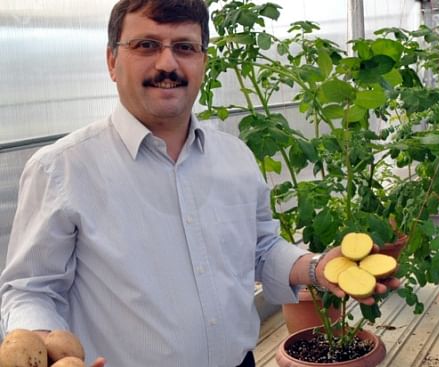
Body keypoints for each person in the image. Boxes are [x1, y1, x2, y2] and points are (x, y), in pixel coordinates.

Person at [0, 1, 398, 366]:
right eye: (146, 45)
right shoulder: (62, 169)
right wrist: (41, 347)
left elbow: (260, 247)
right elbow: (31, 289)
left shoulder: (235, 158)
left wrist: (315, 268)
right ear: (111, 61)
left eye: (185, 48)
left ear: (203, 62)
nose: (167, 63)